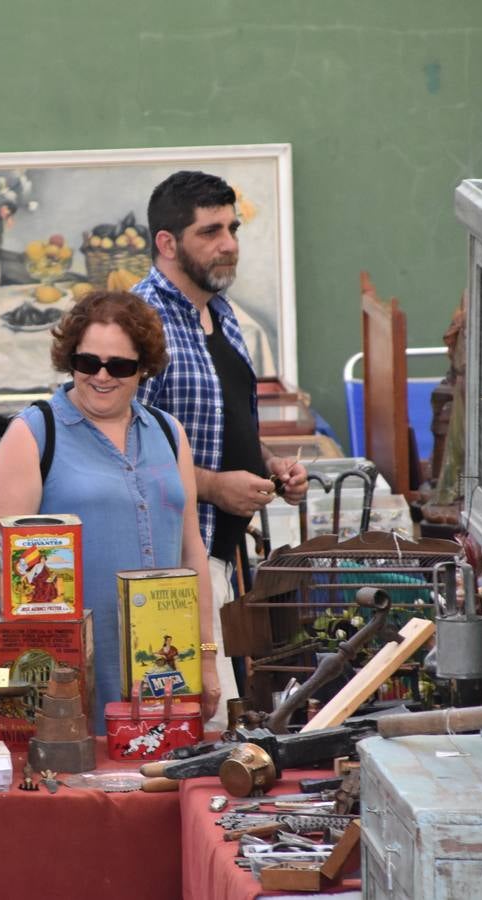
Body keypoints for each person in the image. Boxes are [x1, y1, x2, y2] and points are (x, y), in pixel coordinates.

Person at [0, 290, 218, 732]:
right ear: (69, 358)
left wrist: (206, 658)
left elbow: (192, 553)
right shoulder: (33, 433)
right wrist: (49, 679)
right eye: (88, 362)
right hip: (70, 672)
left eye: (120, 366)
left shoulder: (170, 434)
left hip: (163, 667)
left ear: (144, 368)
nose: (102, 376)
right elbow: (3, 567)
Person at [134, 170, 309, 723]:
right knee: (196, 727)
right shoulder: (139, 326)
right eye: (210, 231)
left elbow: (224, 418)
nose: (229, 243)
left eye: (232, 228)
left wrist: (270, 465)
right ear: (167, 242)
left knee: (224, 719)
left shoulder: (221, 312)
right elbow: (121, 454)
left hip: (223, 560)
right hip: (173, 562)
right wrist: (215, 487)